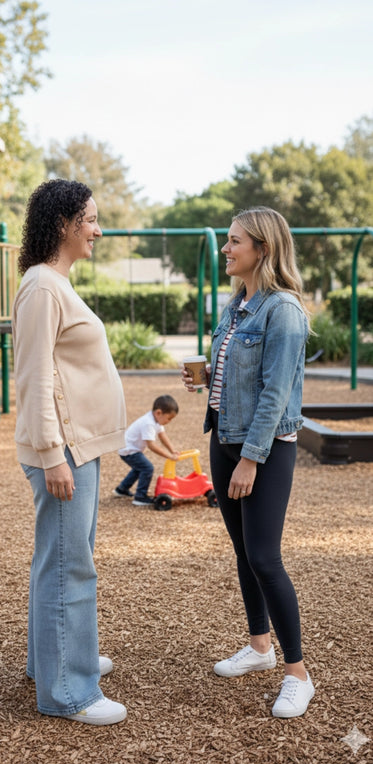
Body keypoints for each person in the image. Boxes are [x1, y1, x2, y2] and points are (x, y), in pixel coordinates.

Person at [183, 206, 315, 719]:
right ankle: (260, 647)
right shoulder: (237, 303)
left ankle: (298, 674)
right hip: (224, 437)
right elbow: (237, 374)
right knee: (244, 551)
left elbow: (276, 393)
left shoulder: (283, 310)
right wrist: (205, 379)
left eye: (235, 240)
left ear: (263, 248)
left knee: (264, 557)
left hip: (264, 448)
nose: (226, 248)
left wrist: (251, 459)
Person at [12, 179, 128, 726]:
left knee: (59, 560)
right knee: (70, 568)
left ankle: (54, 660)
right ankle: (68, 690)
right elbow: (34, 377)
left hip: (76, 446)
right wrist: (52, 453)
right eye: (91, 220)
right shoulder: (43, 287)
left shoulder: (52, 282)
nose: (97, 231)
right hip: (65, 451)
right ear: (64, 224)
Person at [114, 394, 179, 505]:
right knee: (147, 468)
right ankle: (140, 497)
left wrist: (172, 450)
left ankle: (121, 489)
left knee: (138, 468)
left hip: (130, 449)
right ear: (158, 413)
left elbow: (162, 436)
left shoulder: (156, 420)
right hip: (129, 451)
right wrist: (169, 456)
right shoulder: (148, 423)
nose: (169, 421)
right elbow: (151, 445)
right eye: (169, 418)